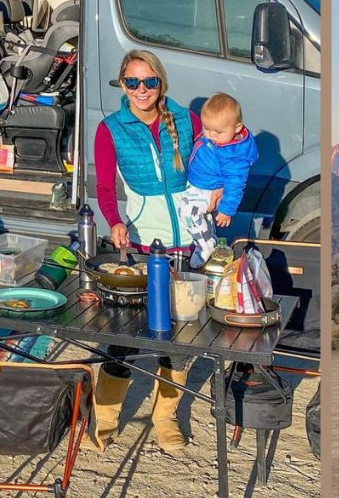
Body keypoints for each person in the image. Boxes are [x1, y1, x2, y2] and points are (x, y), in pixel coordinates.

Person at [90, 49, 215, 454]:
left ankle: (164, 417)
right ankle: (105, 416)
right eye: (132, 82)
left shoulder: (187, 119)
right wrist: (114, 221)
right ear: (121, 84)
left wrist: (218, 195)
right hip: (145, 249)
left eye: (149, 82)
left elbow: (214, 161)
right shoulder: (110, 129)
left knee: (179, 340)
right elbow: (106, 188)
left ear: (161, 83)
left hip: (190, 249)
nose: (141, 90)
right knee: (124, 337)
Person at [182, 92, 258, 267]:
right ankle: (210, 239)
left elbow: (236, 184)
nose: (210, 135)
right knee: (202, 218)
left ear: (237, 128)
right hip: (201, 183)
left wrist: (226, 210)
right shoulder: (221, 139)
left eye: (217, 131)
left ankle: (204, 244)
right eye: (206, 128)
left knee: (187, 211)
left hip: (209, 188)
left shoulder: (234, 156)